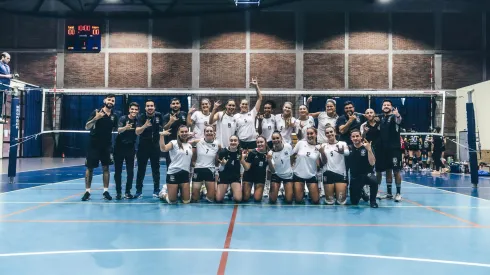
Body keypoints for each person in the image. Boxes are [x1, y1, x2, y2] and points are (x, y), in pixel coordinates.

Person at [81, 94, 118, 201]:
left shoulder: (114, 116)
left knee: (106, 168)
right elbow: (87, 126)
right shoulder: (96, 112)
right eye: (109, 99)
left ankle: (105, 191)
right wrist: (95, 119)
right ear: (104, 100)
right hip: (93, 145)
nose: (111, 101)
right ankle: (87, 191)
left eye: (113, 100)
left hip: (106, 146)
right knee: (90, 168)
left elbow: (117, 129)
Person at [135, 99, 164, 198]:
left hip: (155, 146)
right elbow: (137, 132)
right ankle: (138, 191)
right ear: (145, 108)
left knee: (156, 169)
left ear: (154, 107)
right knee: (141, 169)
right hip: (143, 146)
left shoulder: (159, 116)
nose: (150, 107)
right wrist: (144, 125)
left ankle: (156, 190)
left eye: (151, 106)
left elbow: (163, 127)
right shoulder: (141, 117)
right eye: (148, 106)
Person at [376, 100, 403, 202]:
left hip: (394, 149)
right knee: (388, 170)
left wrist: (398, 115)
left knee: (396, 171)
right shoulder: (381, 118)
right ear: (382, 107)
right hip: (383, 149)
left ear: (392, 107)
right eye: (384, 105)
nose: (386, 106)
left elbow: (399, 120)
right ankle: (389, 193)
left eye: (388, 105)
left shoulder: (394, 117)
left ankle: (398, 193)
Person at [159, 125, 193, 204]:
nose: (184, 133)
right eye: (182, 132)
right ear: (178, 133)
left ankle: (179, 192)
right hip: (173, 173)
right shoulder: (173, 143)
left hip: (185, 174)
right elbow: (163, 149)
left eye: (186, 131)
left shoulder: (189, 146)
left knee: (186, 201)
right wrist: (161, 135)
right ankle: (163, 193)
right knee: (172, 201)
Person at [346, 130, 378, 208]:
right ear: (351, 138)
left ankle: (373, 201)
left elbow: (372, 163)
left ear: (361, 137)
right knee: (354, 202)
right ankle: (362, 193)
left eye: (357, 136)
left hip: (367, 174)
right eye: (353, 136)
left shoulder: (367, 147)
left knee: (374, 181)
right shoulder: (349, 148)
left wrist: (369, 150)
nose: (355, 138)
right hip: (355, 176)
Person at [113, 102, 139, 200]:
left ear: (138, 111)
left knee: (130, 171)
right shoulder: (123, 119)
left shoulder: (138, 120)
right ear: (129, 109)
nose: (134, 111)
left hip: (130, 148)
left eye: (136, 109)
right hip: (119, 147)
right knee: (118, 171)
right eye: (132, 109)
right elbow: (119, 130)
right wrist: (126, 127)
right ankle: (118, 192)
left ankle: (128, 192)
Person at [319, 126, 349, 205]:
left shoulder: (342, 143)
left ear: (335, 132)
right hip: (328, 173)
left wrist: (342, 152)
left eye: (331, 132)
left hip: (340, 174)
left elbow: (347, 153)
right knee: (330, 201)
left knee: (341, 201)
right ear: (325, 135)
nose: (329, 134)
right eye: (327, 133)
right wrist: (322, 153)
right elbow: (323, 162)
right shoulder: (323, 146)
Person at [291, 127, 321, 204]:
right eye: (308, 134)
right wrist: (291, 166)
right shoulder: (301, 143)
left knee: (316, 200)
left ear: (316, 134)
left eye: (311, 133)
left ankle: (309, 192)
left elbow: (321, 163)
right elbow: (292, 155)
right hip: (298, 174)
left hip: (311, 175)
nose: (309, 135)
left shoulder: (319, 148)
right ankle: (301, 192)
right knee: (298, 200)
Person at [190, 126, 219, 203]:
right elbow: (184, 143)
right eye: (207, 131)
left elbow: (219, 159)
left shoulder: (217, 145)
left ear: (214, 133)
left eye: (211, 131)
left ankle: (204, 189)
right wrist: (188, 137)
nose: (209, 132)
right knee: (195, 199)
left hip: (210, 170)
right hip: (198, 169)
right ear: (204, 133)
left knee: (211, 199)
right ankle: (202, 189)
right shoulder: (198, 141)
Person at [236, 77, 263, 150]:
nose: (244, 105)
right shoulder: (236, 116)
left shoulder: (252, 113)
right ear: (240, 105)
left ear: (248, 106)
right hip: (241, 142)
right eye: (243, 104)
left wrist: (256, 86)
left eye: (246, 104)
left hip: (253, 142)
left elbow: (260, 98)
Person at [267, 131, 294, 204]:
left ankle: (284, 188)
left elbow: (292, 157)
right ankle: (279, 187)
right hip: (277, 175)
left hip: (288, 175)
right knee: (272, 200)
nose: (276, 140)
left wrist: (290, 168)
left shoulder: (288, 146)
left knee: (289, 200)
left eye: (277, 138)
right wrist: (269, 160)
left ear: (281, 138)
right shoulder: (270, 153)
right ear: (272, 140)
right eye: (273, 138)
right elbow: (272, 171)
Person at [241, 136, 269, 202]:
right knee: (245, 198)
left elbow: (272, 169)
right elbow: (247, 168)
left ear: (265, 143)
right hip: (249, 176)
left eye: (261, 142)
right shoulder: (252, 153)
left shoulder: (269, 154)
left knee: (257, 199)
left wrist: (269, 160)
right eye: (258, 142)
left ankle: (259, 189)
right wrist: (242, 160)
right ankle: (247, 189)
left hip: (260, 177)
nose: (259, 144)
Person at [216, 135, 243, 203]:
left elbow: (241, 167)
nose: (233, 142)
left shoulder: (240, 153)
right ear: (229, 142)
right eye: (231, 140)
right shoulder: (223, 152)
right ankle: (227, 188)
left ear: (238, 142)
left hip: (235, 178)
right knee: (218, 199)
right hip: (224, 177)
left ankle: (232, 189)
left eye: (235, 140)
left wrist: (241, 176)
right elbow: (219, 170)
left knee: (238, 199)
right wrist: (222, 165)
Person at [162, 98, 188, 169]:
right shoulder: (166, 116)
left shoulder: (184, 114)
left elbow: (188, 126)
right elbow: (164, 129)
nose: (175, 105)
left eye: (177, 103)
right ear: (170, 105)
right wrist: (170, 122)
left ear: (180, 105)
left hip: (183, 144)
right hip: (171, 145)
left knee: (184, 164)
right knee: (170, 165)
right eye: (173, 104)